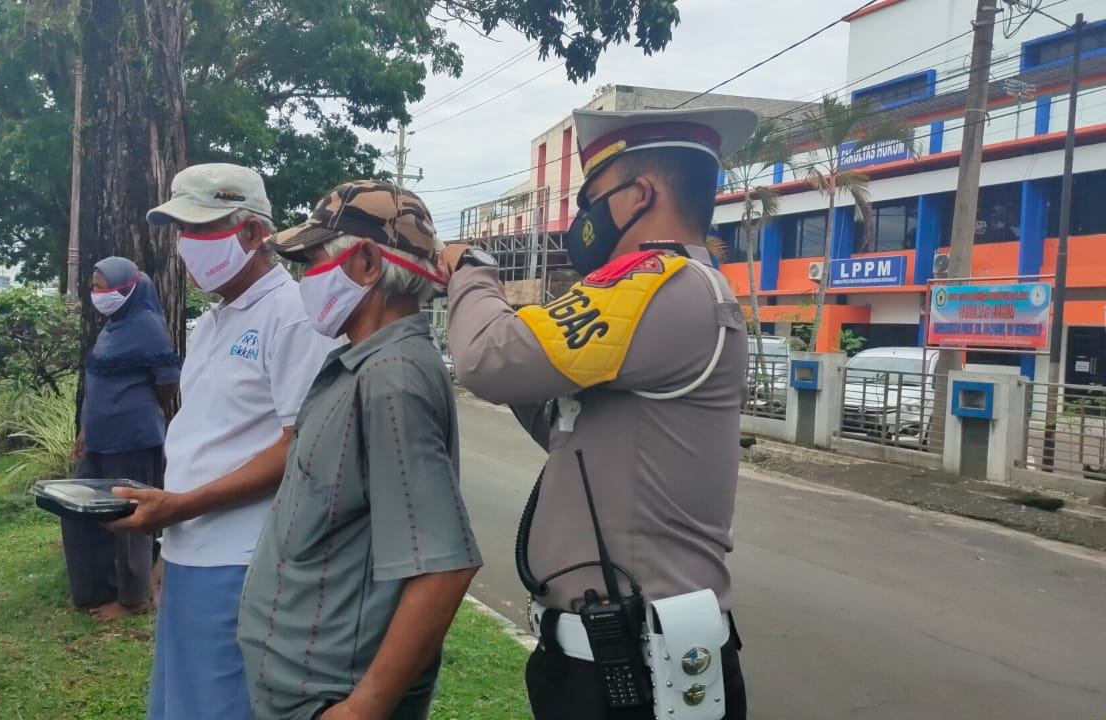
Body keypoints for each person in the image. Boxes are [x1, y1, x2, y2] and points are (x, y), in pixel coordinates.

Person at [440, 106, 755, 720]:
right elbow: (570, 429)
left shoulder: (661, 284)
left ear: (641, 193)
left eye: (593, 196)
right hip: (614, 662)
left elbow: (485, 357)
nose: (583, 217)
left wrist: (472, 271)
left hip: (637, 672)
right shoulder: (678, 291)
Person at [236, 180, 481, 720]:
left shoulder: (392, 379)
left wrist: (365, 706)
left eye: (314, 262)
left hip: (330, 697)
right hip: (302, 686)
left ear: (367, 263)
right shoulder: (363, 363)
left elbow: (443, 567)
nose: (304, 281)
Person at [108, 163, 335, 720]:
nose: (188, 246)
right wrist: (171, 543)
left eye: (203, 230)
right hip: (191, 552)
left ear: (255, 233)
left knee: (220, 706)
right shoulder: (212, 322)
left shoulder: (293, 317)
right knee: (179, 704)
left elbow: (299, 446)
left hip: (244, 562)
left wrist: (181, 507)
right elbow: (204, 436)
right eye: (182, 231)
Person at [64, 257, 180, 620]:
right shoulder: (112, 327)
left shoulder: (147, 325)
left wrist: (142, 412)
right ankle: (93, 588)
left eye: (101, 286)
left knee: (130, 517)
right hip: (99, 437)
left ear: (127, 288)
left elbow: (167, 380)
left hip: (132, 438)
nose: (95, 293)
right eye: (94, 286)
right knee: (77, 507)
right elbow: (98, 384)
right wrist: (85, 430)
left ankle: (134, 598)